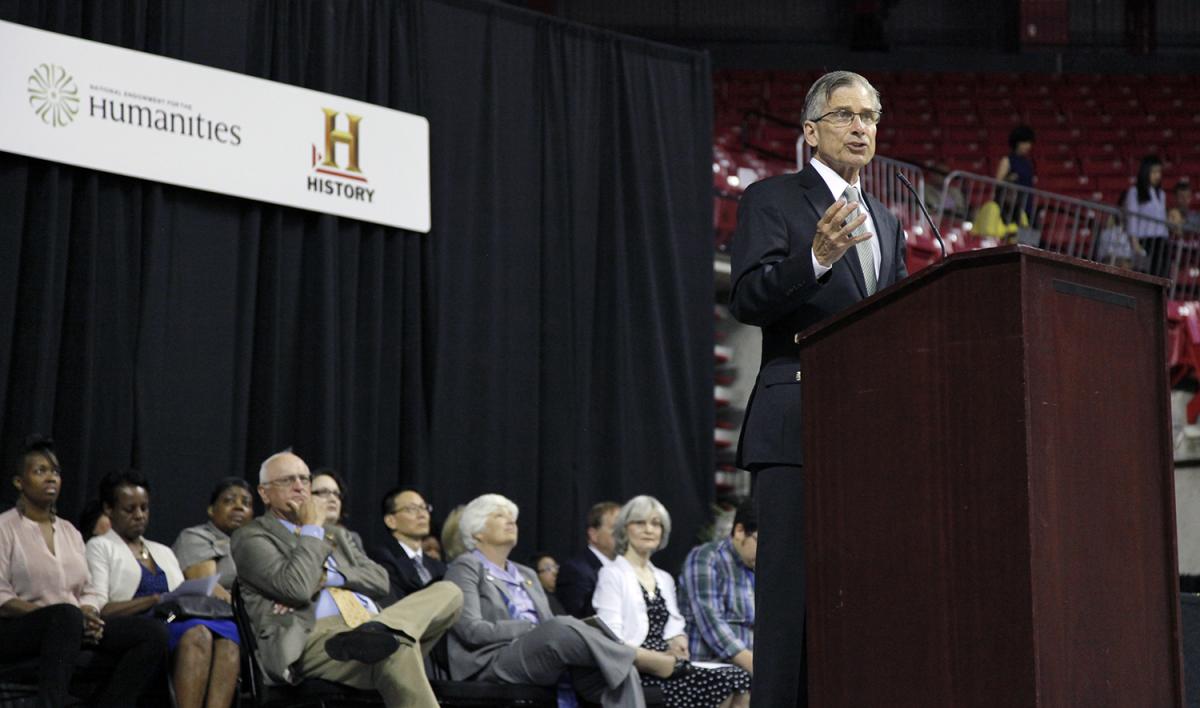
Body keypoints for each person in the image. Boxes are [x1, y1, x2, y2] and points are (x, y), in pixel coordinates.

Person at [728, 70, 907, 707]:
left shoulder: (887, 221)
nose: (861, 128)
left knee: (858, 594)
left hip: (869, 432)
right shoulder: (771, 199)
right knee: (789, 601)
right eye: (845, 115)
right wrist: (815, 260)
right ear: (810, 131)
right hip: (796, 421)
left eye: (870, 117)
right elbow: (748, 299)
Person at [231, 451, 462, 708]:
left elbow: (380, 580)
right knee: (398, 648)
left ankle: (383, 630)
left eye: (304, 479)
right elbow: (296, 589)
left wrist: (331, 577)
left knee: (449, 591)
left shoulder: (337, 535)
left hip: (367, 627)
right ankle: (385, 636)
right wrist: (311, 529)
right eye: (287, 480)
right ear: (264, 493)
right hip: (313, 639)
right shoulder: (251, 537)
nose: (299, 486)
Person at [444, 493, 659, 707]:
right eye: (499, 515)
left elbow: (549, 626)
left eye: (512, 517)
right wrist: (529, 628)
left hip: (540, 655)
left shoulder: (526, 574)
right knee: (562, 627)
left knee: (616, 669)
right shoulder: (465, 567)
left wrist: (543, 630)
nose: (510, 521)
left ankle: (627, 657)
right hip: (492, 661)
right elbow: (471, 630)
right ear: (477, 532)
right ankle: (636, 655)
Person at [0, 436, 168, 708]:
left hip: (70, 624)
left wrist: (88, 613)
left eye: (55, 472)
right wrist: (63, 617)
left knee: (152, 633)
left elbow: (88, 590)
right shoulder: (5, 528)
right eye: (40, 471)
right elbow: (2, 597)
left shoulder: (70, 532)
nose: (51, 478)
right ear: (19, 482)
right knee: (65, 616)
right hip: (18, 628)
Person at [87, 469, 240, 708]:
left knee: (228, 638)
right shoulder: (100, 546)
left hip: (169, 617)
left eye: (144, 508)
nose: (139, 515)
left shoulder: (163, 551)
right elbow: (101, 608)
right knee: (198, 634)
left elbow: (180, 601)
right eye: (130, 509)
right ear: (109, 509)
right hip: (136, 623)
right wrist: (153, 600)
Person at [593, 496, 751, 708]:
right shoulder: (612, 574)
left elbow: (675, 626)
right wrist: (659, 659)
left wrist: (678, 640)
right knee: (724, 682)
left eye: (656, 523)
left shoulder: (663, 578)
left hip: (670, 662)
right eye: (640, 523)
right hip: (638, 666)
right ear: (624, 529)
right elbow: (611, 639)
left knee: (739, 677)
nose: (649, 529)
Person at [677, 500, 757, 675]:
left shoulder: (757, 567)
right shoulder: (706, 557)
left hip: (747, 670)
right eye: (760, 541)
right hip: (711, 669)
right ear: (739, 531)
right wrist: (757, 668)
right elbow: (711, 622)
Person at [173, 477, 255, 602]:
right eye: (229, 501)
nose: (239, 507)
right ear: (211, 510)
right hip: (218, 610)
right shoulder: (196, 537)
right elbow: (207, 588)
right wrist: (245, 611)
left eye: (246, 503)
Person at [370, 488, 446, 603]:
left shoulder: (439, 567)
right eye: (412, 509)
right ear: (391, 521)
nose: (422, 515)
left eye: (424, 508)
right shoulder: (382, 559)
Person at [557, 501, 620, 618]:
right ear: (593, 534)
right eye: (616, 528)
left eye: (625, 528)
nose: (624, 534)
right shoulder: (575, 570)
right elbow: (579, 620)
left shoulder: (628, 568)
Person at [1124, 154, 1170, 277]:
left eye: (1159, 172)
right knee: (1149, 274)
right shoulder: (1135, 192)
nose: (1157, 176)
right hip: (1145, 239)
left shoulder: (1161, 194)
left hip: (1161, 240)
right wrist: (1134, 242)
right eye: (1154, 172)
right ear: (1146, 172)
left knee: (1163, 274)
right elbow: (1132, 217)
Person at [311, 468, 364, 553]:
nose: (333, 499)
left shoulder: (350, 538)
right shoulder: (299, 537)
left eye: (336, 494)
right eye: (324, 492)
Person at [532, 551, 567, 616]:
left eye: (555, 567)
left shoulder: (561, 596)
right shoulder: (539, 600)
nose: (555, 572)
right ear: (535, 574)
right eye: (548, 568)